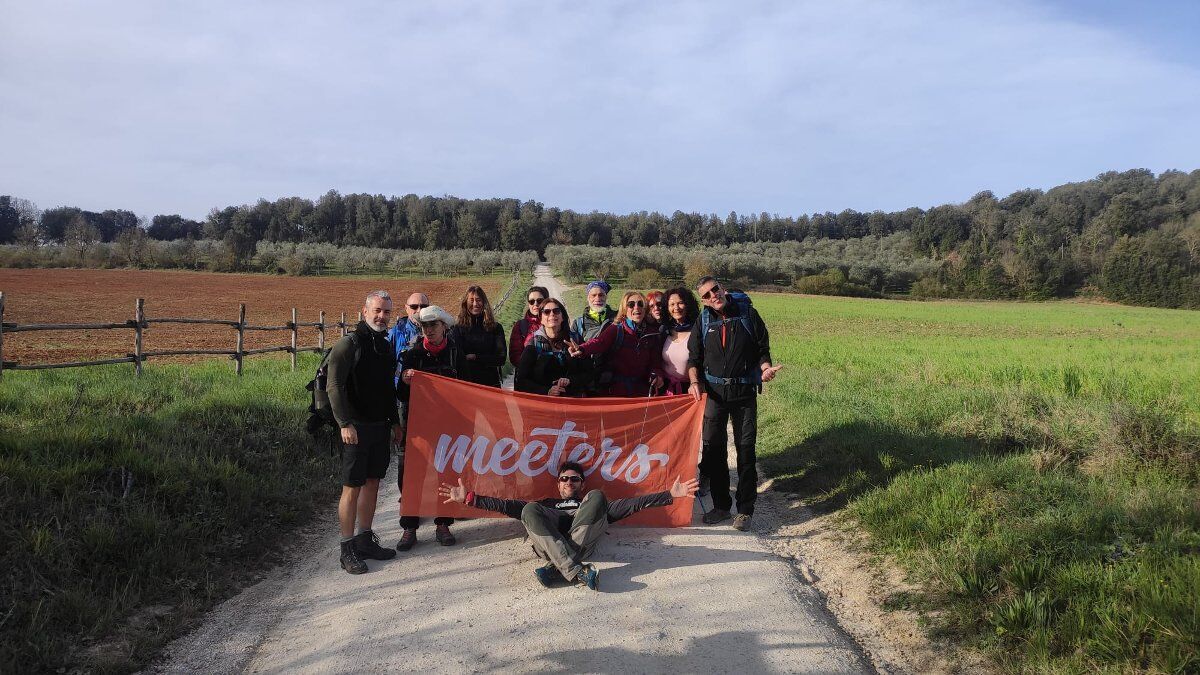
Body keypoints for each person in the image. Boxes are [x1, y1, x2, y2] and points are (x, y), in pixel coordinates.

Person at [438, 462, 699, 590]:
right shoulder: (545, 503)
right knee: (527, 509)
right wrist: (470, 499)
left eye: (575, 479)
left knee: (599, 496)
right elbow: (507, 506)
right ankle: (575, 571)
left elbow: (632, 504)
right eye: (564, 478)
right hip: (550, 543)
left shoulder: (592, 503)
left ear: (580, 484)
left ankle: (559, 568)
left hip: (580, 543)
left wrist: (669, 495)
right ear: (558, 483)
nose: (569, 482)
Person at [687, 277, 783, 532]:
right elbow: (694, 358)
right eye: (706, 295)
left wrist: (765, 369)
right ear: (703, 300)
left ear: (723, 289)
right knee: (714, 450)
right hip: (715, 394)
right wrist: (694, 382)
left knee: (745, 450)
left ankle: (745, 510)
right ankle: (721, 506)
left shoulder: (748, 314)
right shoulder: (703, 320)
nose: (712, 296)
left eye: (714, 289)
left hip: (743, 393)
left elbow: (763, 348)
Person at [327, 290, 402, 574]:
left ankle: (365, 539)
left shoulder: (385, 345)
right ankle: (347, 549)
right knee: (352, 487)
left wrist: (394, 422)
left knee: (372, 483)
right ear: (365, 310)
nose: (382, 317)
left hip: (379, 426)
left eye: (386, 312)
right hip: (355, 428)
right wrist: (344, 423)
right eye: (377, 311)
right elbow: (334, 386)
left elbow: (387, 389)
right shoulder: (349, 344)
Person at [396, 305, 465, 549]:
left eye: (434, 325)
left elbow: (467, 389)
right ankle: (409, 527)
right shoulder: (411, 355)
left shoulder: (456, 352)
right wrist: (405, 381)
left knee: (444, 472)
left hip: (448, 424)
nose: (429, 330)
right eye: (425, 326)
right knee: (411, 474)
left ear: (444, 327)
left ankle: (443, 523)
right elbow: (402, 395)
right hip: (418, 425)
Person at [569, 290, 664, 397]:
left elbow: (655, 362)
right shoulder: (616, 329)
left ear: (645, 309)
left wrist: (657, 375)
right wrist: (582, 349)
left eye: (640, 304)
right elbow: (600, 342)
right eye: (631, 304)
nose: (636, 307)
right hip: (617, 392)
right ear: (624, 309)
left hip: (641, 391)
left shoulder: (652, 334)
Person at [514, 298, 592, 397]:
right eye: (546, 312)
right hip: (543, 406)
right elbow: (521, 380)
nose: (552, 314)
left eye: (556, 311)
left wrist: (570, 381)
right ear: (541, 319)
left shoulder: (576, 340)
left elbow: (589, 373)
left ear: (562, 316)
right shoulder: (533, 344)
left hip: (573, 402)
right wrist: (547, 391)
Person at [451, 285, 506, 387]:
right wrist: (487, 359)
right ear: (465, 303)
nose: (475, 304)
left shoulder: (496, 328)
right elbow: (458, 358)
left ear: (484, 302)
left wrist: (475, 357)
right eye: (471, 300)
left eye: (478, 300)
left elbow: (501, 359)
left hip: (491, 384)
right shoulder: (458, 329)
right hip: (467, 385)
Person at [570, 280, 617, 395]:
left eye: (601, 295)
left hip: (613, 380)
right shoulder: (578, 323)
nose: (598, 298)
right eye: (593, 295)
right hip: (587, 382)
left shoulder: (618, 319)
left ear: (606, 297)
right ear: (588, 298)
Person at [659, 287, 700, 395]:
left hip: (691, 389)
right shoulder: (664, 330)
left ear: (688, 305)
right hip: (666, 388)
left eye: (680, 303)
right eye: (672, 304)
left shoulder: (698, 330)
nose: (676, 308)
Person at [509, 285, 549, 367]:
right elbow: (515, 355)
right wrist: (529, 367)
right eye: (531, 301)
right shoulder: (521, 326)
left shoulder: (554, 321)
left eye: (539, 300)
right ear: (528, 304)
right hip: (528, 375)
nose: (535, 304)